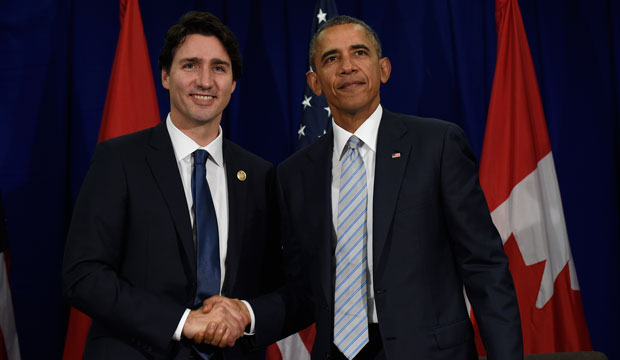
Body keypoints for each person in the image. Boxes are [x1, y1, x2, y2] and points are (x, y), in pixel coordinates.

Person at [240, 15, 523, 360]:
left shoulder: (437, 145)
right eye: (331, 59)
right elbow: (304, 291)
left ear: (383, 69)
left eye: (359, 53)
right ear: (315, 83)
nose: (347, 67)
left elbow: (483, 265)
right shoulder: (294, 174)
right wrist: (246, 317)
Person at [62, 11, 280, 359]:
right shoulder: (119, 160)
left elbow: (281, 287)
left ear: (234, 82)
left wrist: (245, 313)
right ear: (165, 76)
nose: (205, 81)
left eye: (219, 68)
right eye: (190, 65)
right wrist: (181, 321)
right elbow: (82, 276)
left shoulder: (259, 174)